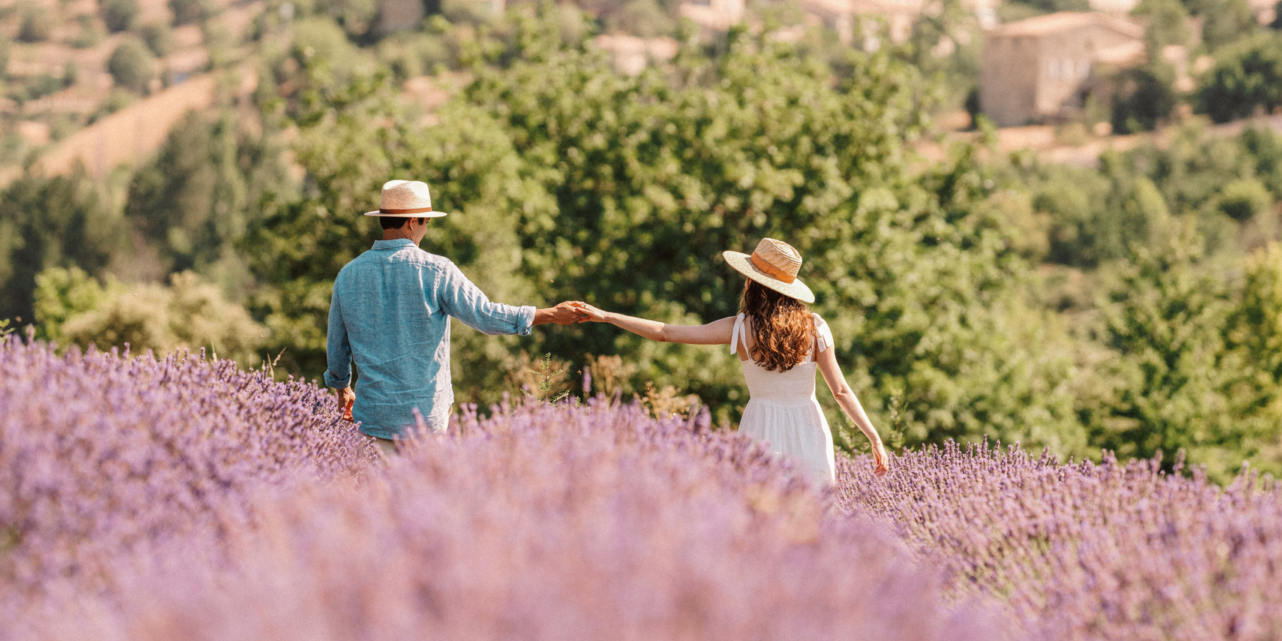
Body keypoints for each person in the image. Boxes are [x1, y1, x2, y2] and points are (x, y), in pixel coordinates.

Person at [570, 237, 888, 485]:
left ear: (753, 283)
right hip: (809, 427)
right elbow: (841, 391)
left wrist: (607, 315)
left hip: (761, 424)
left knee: (759, 517)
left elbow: (665, 333)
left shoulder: (740, 327)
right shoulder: (816, 327)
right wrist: (873, 437)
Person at [325, 179, 582, 454]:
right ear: (413, 221)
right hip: (425, 421)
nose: (425, 229)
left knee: (374, 497)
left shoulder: (348, 275)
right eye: (426, 222)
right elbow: (486, 315)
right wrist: (550, 314)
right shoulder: (436, 271)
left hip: (372, 420)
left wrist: (342, 390)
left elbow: (337, 346)